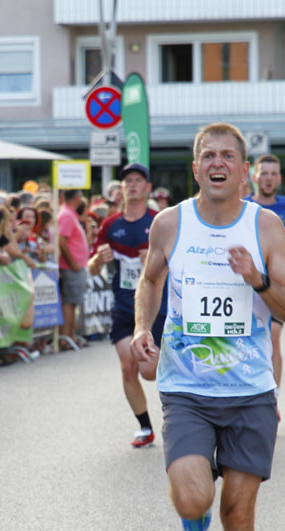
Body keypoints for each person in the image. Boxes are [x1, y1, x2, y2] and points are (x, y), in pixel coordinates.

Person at [130, 123, 285, 531]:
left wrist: (257, 279)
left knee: (239, 519)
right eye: (209, 155)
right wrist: (143, 328)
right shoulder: (170, 223)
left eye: (228, 156)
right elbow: (150, 279)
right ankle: (195, 502)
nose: (218, 163)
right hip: (187, 389)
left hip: (250, 393)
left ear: (244, 170)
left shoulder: (265, 227)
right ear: (195, 168)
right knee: (192, 502)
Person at [88, 163, 166, 448]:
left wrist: (154, 263)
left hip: (156, 308)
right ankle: (145, 427)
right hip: (124, 308)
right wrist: (99, 259)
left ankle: (180, 414)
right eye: (127, 181)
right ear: (121, 189)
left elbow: (178, 264)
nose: (132, 184)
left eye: (138, 180)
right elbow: (92, 268)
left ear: (147, 188)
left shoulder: (159, 222)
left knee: (149, 371)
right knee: (128, 366)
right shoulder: (110, 225)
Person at [245, 154, 285, 397]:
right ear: (255, 177)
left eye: (273, 174)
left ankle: (273, 396)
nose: (268, 178)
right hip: (249, 284)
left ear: (279, 178)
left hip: (276, 283)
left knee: (274, 336)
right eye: (264, 173)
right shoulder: (244, 206)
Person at [58, 189, 89, 349]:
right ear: (77, 198)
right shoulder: (66, 215)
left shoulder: (69, 214)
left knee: (73, 302)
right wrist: (72, 262)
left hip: (74, 266)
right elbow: (62, 240)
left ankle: (70, 336)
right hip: (70, 267)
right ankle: (65, 338)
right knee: (69, 302)